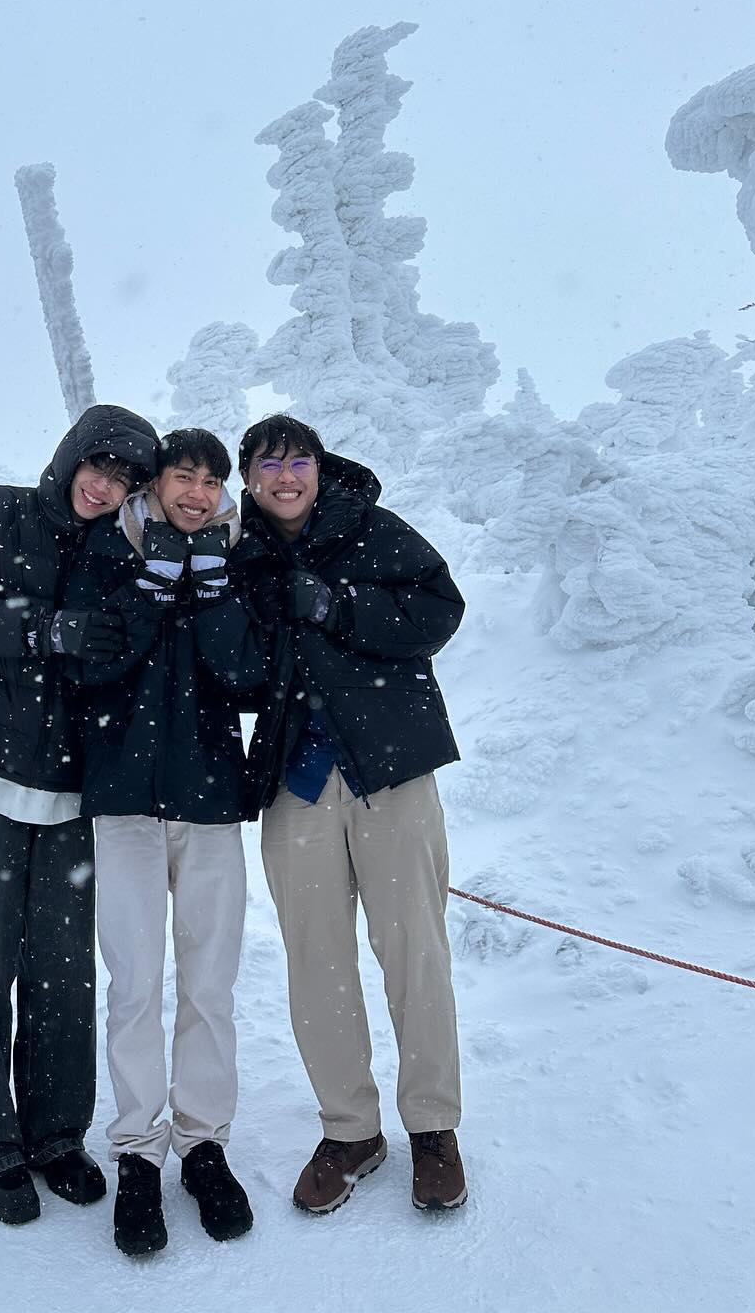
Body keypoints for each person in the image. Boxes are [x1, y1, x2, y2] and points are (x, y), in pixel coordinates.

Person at [0, 403, 159, 1226]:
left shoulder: (117, 555)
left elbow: (129, 655)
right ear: (70, 458)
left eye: (124, 479)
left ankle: (57, 1135)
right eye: (100, 467)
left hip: (70, 790)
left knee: (63, 967)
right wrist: (44, 629)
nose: (106, 486)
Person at [235, 413, 469, 1216]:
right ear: (250, 480)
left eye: (297, 459)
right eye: (268, 465)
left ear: (318, 467)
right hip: (294, 784)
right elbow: (233, 670)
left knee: (416, 950)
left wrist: (338, 606)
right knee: (317, 962)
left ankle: (433, 1127)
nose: (285, 476)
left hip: (390, 770)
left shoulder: (371, 528)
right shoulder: (241, 556)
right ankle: (350, 1130)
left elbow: (440, 611)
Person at [63, 428, 265, 1257]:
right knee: (136, 984)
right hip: (124, 803)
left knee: (209, 984)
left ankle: (205, 1145)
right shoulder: (110, 553)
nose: (199, 492)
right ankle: (139, 1154)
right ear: (156, 484)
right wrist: (149, 588)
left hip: (211, 799)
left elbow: (249, 676)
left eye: (213, 481)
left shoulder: (235, 557)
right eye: (185, 476)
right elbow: (91, 668)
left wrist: (213, 590)